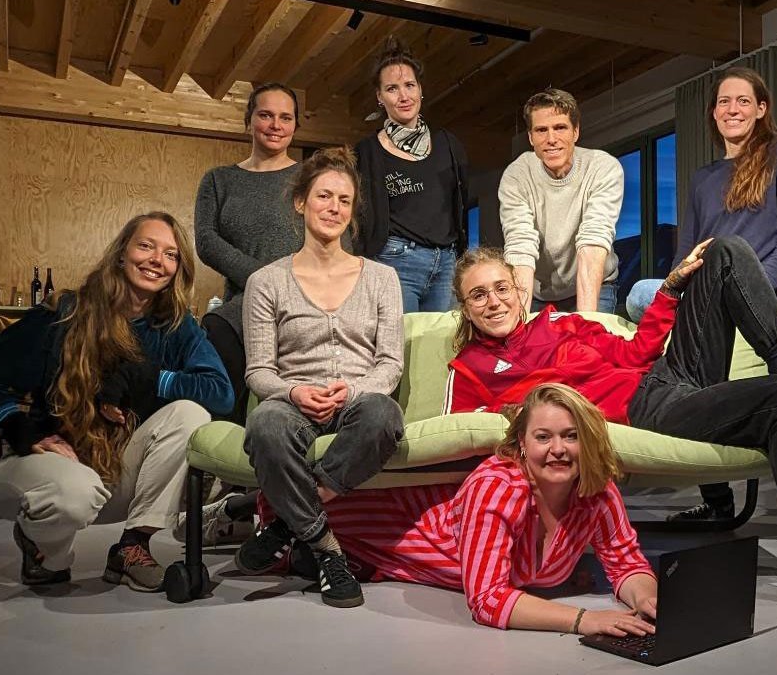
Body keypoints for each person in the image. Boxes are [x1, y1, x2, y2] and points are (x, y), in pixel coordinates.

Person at [442, 244, 777, 616]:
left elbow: (635, 354)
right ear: (465, 308)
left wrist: (669, 287)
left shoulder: (562, 326)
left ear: (518, 291)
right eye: (478, 295)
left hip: (664, 377)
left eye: (500, 287)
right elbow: (470, 437)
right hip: (648, 409)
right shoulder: (471, 370)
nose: (493, 301)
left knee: (723, 254)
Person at [0, 213, 234, 593]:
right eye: (146, 246)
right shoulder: (65, 312)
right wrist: (15, 425)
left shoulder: (173, 326)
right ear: (121, 253)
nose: (158, 260)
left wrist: (152, 378)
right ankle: (42, 550)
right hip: (50, 466)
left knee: (191, 412)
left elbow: (221, 393)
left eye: (171, 254)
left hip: (114, 469)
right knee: (73, 496)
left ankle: (132, 546)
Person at [624, 66, 777, 522]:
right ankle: (715, 500)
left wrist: (749, 288)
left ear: (761, 109)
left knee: (728, 261)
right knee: (637, 293)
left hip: (750, 285)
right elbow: (684, 254)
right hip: (700, 292)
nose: (733, 109)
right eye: (724, 102)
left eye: (743, 101)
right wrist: (679, 293)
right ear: (713, 113)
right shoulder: (703, 178)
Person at [314, 383, 659, 635]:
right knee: (309, 536)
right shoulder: (498, 487)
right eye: (543, 437)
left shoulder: (597, 491)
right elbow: (487, 600)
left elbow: (625, 562)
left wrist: (648, 600)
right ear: (522, 444)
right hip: (362, 522)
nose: (558, 449)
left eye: (571, 436)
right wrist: (584, 620)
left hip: (393, 547)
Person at [236, 146, 405, 609]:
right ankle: (327, 551)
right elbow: (259, 372)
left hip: (358, 398)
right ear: (300, 202)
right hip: (293, 402)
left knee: (384, 417)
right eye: (324, 196)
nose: (333, 208)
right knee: (266, 425)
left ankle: (286, 525)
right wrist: (293, 391)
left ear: (352, 213)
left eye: (344, 201)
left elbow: (389, 364)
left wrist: (353, 389)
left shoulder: (381, 277)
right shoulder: (266, 281)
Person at [194, 82, 304, 425]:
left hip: (303, 299)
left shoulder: (310, 178)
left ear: (295, 126)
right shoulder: (219, 180)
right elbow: (207, 240)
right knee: (218, 351)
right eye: (266, 115)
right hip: (243, 304)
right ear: (249, 120)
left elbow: (339, 240)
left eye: (285, 117)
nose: (276, 125)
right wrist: (264, 280)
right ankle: (224, 467)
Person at [354, 37, 470, 312]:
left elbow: (460, 203)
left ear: (420, 90)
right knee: (402, 348)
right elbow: (359, 215)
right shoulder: (367, 152)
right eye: (392, 88)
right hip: (396, 262)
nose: (403, 96)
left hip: (446, 264)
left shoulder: (448, 144)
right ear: (380, 98)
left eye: (409, 85)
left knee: (442, 348)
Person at [498, 88, 623, 314]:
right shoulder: (516, 175)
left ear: (575, 132)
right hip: (539, 292)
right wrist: (519, 325)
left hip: (596, 285)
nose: (551, 139)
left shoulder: (603, 168)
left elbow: (593, 241)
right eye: (541, 130)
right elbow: (520, 247)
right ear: (530, 137)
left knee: (589, 346)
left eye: (560, 128)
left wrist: (585, 322)